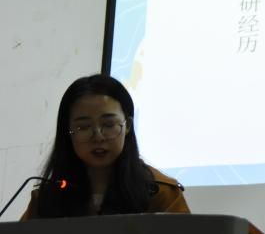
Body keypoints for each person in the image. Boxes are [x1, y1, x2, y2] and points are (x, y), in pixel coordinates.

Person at [21, 74, 190, 219]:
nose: (98, 137)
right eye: (83, 127)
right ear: (68, 132)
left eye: (109, 125)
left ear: (128, 125)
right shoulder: (47, 198)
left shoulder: (161, 193)